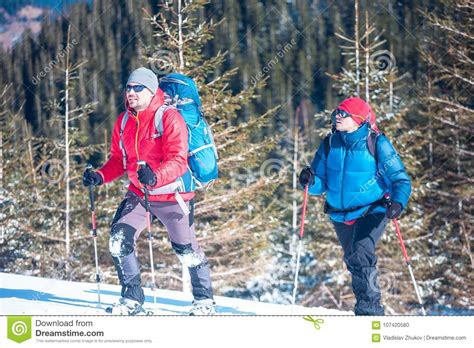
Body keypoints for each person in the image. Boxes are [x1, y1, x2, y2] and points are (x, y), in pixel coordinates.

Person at [83, 67, 215, 315]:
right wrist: (99, 176)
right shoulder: (123, 122)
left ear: (151, 90)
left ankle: (204, 301)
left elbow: (178, 160)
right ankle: (132, 299)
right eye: (129, 87)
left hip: (173, 195)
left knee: (185, 250)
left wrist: (155, 176)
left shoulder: (168, 118)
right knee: (119, 240)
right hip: (139, 193)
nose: (131, 92)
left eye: (137, 88)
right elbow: (118, 160)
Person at [299, 97, 411, 315]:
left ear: (358, 119)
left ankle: (369, 310)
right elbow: (318, 185)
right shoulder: (330, 143)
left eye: (343, 114)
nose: (337, 117)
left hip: (373, 208)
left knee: (361, 252)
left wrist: (398, 202)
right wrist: (309, 181)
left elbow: (400, 179)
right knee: (353, 259)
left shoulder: (377, 143)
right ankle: (367, 306)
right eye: (336, 113)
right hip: (339, 213)